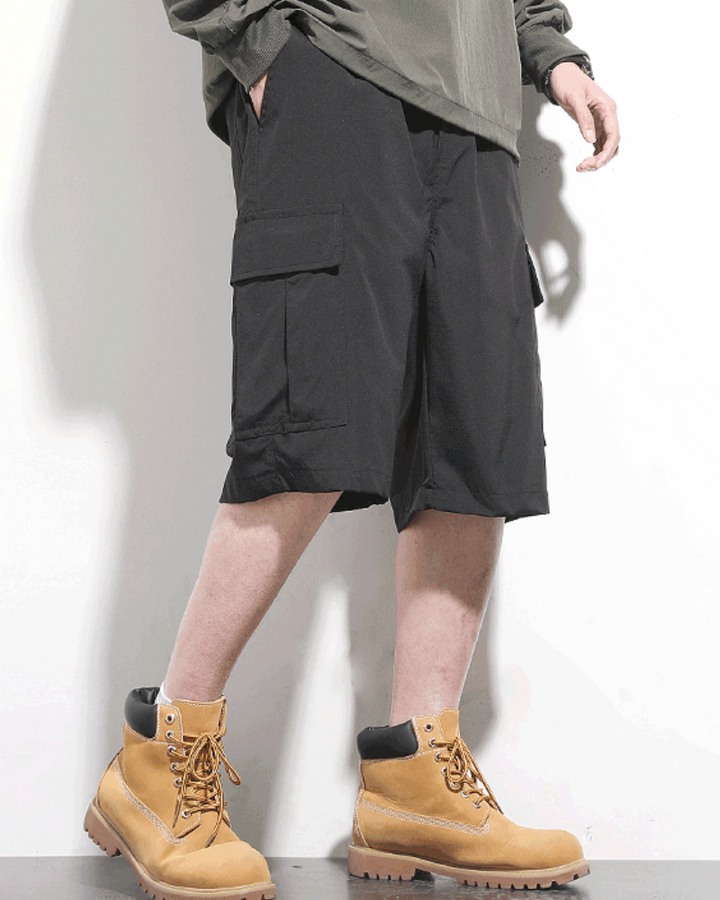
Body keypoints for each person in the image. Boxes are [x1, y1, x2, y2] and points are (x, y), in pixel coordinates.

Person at [84, 2, 620, 899]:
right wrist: (259, 46)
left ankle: (417, 777)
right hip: (333, 63)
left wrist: (548, 53)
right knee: (309, 427)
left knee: (474, 437)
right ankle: (160, 757)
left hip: (480, 109)